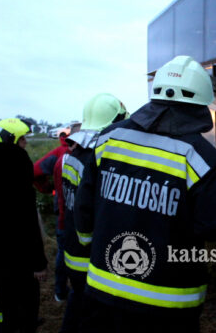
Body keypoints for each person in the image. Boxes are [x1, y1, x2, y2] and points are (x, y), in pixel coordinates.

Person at [74, 56, 216, 332]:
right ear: (201, 103)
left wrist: (91, 242)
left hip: (104, 289)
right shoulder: (203, 160)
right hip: (169, 302)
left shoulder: (108, 139)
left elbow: (84, 206)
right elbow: (215, 226)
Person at [59, 93, 129, 333]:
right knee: (93, 318)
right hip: (89, 258)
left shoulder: (73, 155)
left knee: (77, 304)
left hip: (72, 252)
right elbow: (92, 209)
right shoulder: (95, 158)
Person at [0, 118, 47, 333]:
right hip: (18, 265)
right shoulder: (19, 188)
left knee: (3, 306)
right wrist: (39, 263)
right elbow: (28, 229)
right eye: (22, 139)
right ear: (11, 140)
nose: (26, 143)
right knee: (20, 314)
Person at [33, 131, 71, 302]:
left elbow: (35, 172)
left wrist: (48, 189)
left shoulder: (59, 153)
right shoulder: (62, 153)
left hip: (62, 211)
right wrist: (48, 189)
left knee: (63, 250)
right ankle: (63, 291)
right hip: (73, 211)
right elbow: (34, 172)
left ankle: (60, 292)